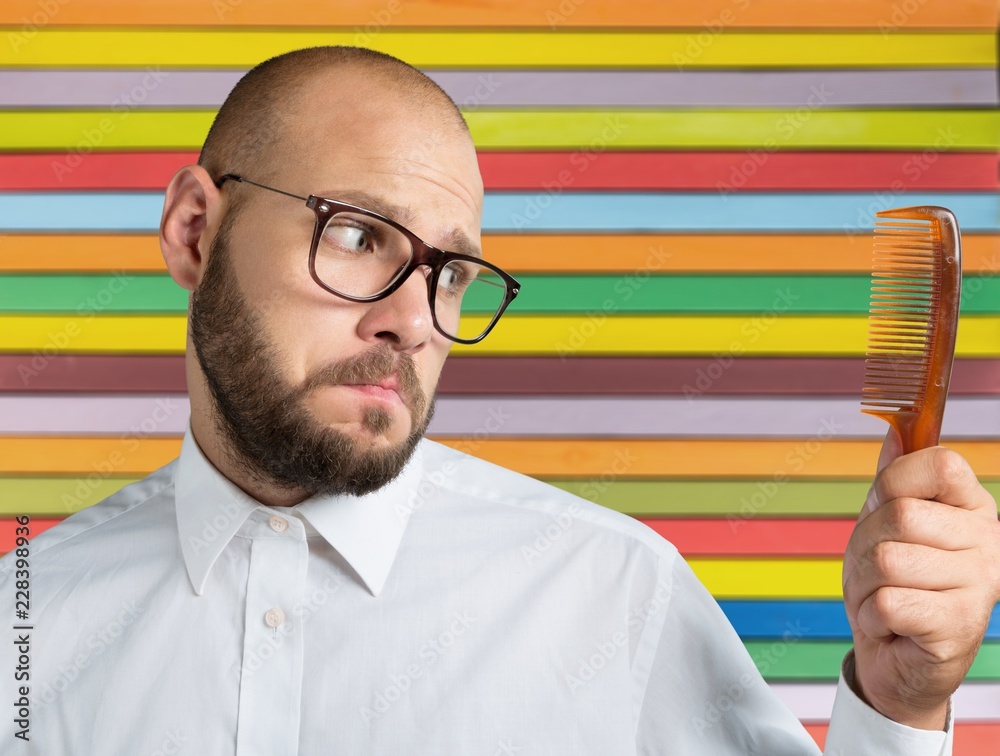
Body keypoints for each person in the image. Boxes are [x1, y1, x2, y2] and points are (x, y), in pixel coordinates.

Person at [2, 46, 997, 755]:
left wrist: (899, 708)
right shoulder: (23, 628)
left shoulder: (615, 597)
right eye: (357, 235)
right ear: (193, 232)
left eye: (451, 273)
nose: (413, 320)